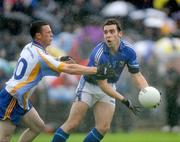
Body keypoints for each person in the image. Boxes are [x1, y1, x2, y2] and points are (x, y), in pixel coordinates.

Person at [0, 21, 113, 142]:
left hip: (21, 98)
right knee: (5, 138)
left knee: (37, 127)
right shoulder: (41, 55)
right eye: (48, 32)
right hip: (13, 97)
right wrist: (97, 70)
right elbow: (69, 68)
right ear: (38, 35)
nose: (52, 34)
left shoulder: (30, 47)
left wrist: (59, 59)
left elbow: (43, 60)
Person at [52, 18, 149, 142]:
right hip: (89, 87)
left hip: (110, 86)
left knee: (103, 127)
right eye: (106, 32)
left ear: (120, 33)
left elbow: (137, 75)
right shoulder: (99, 54)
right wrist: (124, 100)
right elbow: (103, 86)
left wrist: (147, 91)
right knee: (73, 124)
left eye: (112, 31)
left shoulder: (129, 51)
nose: (108, 35)